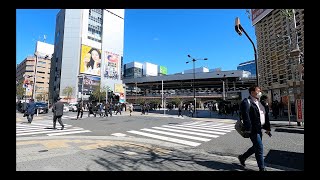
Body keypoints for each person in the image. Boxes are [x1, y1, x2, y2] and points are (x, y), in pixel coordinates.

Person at [238, 85, 271, 171]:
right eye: (258, 91)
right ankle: (262, 168)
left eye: (260, 91)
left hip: (259, 128)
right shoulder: (246, 102)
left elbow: (265, 115)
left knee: (256, 147)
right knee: (259, 148)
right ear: (252, 92)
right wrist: (248, 129)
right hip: (253, 129)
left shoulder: (261, 102)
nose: (260, 93)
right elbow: (245, 117)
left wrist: (267, 128)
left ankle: (242, 157)